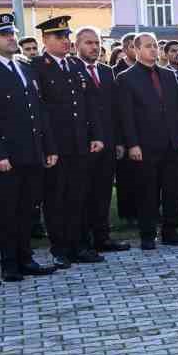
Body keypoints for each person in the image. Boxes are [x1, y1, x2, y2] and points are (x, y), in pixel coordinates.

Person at [0, 14, 54, 281]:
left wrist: (47, 146)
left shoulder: (24, 67)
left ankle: (26, 258)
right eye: (4, 34)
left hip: (31, 151)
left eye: (12, 33)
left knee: (28, 209)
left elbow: (38, 112)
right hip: (5, 155)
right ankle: (9, 264)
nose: (11, 38)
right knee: (7, 212)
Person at [29, 16, 102, 267]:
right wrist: (47, 146)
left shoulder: (75, 66)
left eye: (66, 36)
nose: (65, 41)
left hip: (80, 143)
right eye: (58, 37)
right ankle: (59, 248)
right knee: (56, 199)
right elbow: (40, 112)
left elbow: (89, 105)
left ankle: (79, 245)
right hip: (56, 146)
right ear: (45, 40)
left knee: (78, 196)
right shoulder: (37, 67)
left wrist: (96, 135)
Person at [117, 33, 178, 250]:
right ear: (136, 48)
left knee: (171, 190)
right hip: (144, 145)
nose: (153, 50)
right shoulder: (126, 78)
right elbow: (126, 115)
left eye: (155, 46)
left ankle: (171, 230)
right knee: (147, 191)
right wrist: (132, 144)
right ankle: (148, 234)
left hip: (171, 143)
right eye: (148, 46)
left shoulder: (168, 75)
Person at [71, 28, 128, 255]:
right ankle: (82, 241)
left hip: (108, 143)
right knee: (82, 194)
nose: (94, 47)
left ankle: (102, 237)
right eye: (88, 43)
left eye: (96, 43)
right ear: (77, 45)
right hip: (83, 145)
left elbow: (115, 110)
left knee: (103, 193)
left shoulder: (106, 72)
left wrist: (119, 141)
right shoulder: (71, 70)